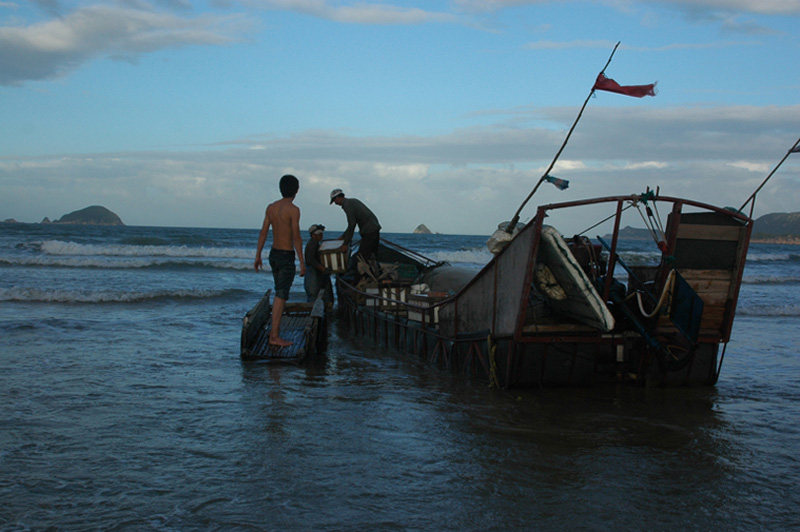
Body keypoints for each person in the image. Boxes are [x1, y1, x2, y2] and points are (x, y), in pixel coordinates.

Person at [254, 174, 306, 347]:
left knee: (279, 292)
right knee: (281, 295)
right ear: (296, 190)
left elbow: (263, 232)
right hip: (285, 255)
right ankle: (274, 336)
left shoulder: (271, 207)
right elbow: (296, 237)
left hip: (273, 254)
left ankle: (274, 330)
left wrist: (258, 255)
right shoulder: (293, 210)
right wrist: (302, 262)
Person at [329, 188, 381, 266]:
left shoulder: (347, 205)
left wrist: (345, 244)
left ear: (338, 198)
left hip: (369, 231)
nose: (335, 203)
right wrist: (343, 236)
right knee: (372, 255)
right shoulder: (352, 201)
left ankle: (362, 276)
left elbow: (352, 225)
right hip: (374, 229)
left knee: (361, 257)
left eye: (334, 201)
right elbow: (351, 225)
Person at [304, 223, 333, 304]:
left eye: (321, 234)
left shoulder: (315, 243)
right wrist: (322, 268)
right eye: (319, 234)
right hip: (313, 274)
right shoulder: (313, 244)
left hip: (316, 273)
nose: (321, 236)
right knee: (313, 297)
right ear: (313, 235)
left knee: (315, 297)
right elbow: (310, 259)